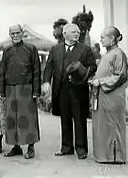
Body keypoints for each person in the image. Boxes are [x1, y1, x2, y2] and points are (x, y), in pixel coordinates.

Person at [42, 23, 97, 160]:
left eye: (78, 32)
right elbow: (49, 67)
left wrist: (84, 72)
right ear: (65, 34)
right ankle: (66, 148)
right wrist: (46, 81)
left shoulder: (85, 49)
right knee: (65, 119)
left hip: (78, 89)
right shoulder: (55, 49)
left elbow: (93, 66)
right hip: (61, 89)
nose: (76, 34)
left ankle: (81, 149)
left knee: (79, 119)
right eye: (73, 32)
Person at [0, 24, 41, 159]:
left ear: (22, 33)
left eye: (17, 33)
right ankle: (16, 147)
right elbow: (2, 70)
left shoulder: (31, 48)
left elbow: (36, 71)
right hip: (10, 88)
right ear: (9, 35)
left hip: (26, 88)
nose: (15, 36)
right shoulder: (7, 50)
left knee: (28, 118)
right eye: (12, 34)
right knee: (12, 119)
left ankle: (30, 147)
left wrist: (36, 90)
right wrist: (1, 90)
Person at [89, 26, 128, 164]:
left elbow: (121, 76)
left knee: (113, 126)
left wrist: (100, 81)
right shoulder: (107, 54)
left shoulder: (119, 54)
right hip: (103, 96)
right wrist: (94, 80)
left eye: (102, 37)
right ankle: (104, 155)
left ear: (112, 38)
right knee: (103, 126)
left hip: (113, 97)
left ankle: (115, 157)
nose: (100, 39)